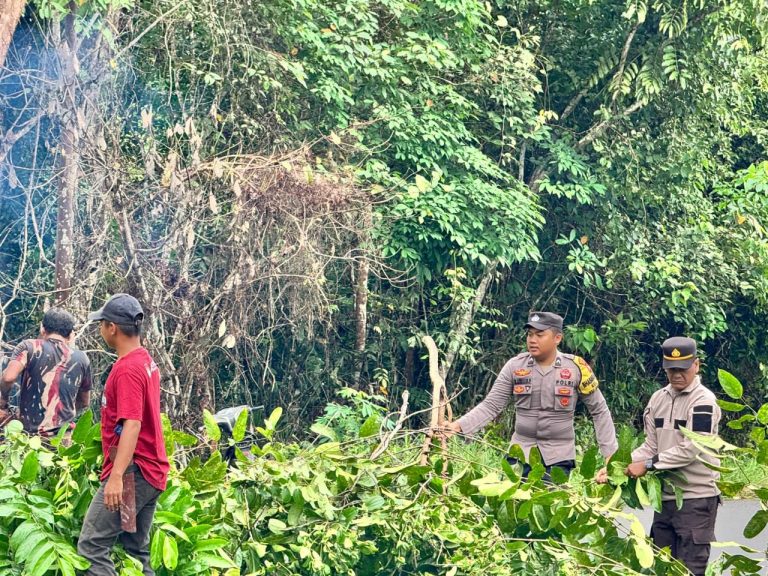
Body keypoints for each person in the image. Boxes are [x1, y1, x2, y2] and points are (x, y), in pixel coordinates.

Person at [444, 311, 618, 478]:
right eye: (529, 334)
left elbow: (599, 411)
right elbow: (491, 405)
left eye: (539, 335)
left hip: (558, 457)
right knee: (510, 503)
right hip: (520, 452)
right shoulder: (515, 366)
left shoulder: (576, 368)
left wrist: (610, 455)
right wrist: (457, 426)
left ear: (557, 338)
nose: (532, 340)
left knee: (547, 504)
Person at [605, 337, 721, 576]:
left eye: (683, 368)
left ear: (696, 365)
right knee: (661, 566)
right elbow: (650, 445)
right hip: (666, 497)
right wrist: (618, 465)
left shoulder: (703, 401)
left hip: (696, 498)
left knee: (689, 569)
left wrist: (647, 465)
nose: (677, 374)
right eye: (671, 369)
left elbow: (693, 448)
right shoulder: (658, 399)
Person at [77, 294, 169, 576]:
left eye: (101, 324)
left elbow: (132, 424)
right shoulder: (145, 361)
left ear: (112, 328)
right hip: (149, 471)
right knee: (135, 551)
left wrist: (116, 477)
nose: (100, 330)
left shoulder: (128, 368)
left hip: (132, 473)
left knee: (91, 547)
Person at [0, 307, 92, 436]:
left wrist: (3, 403)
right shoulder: (82, 358)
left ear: (42, 328)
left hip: (29, 438)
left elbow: (8, 378)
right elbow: (85, 401)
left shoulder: (29, 346)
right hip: (62, 438)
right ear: (71, 334)